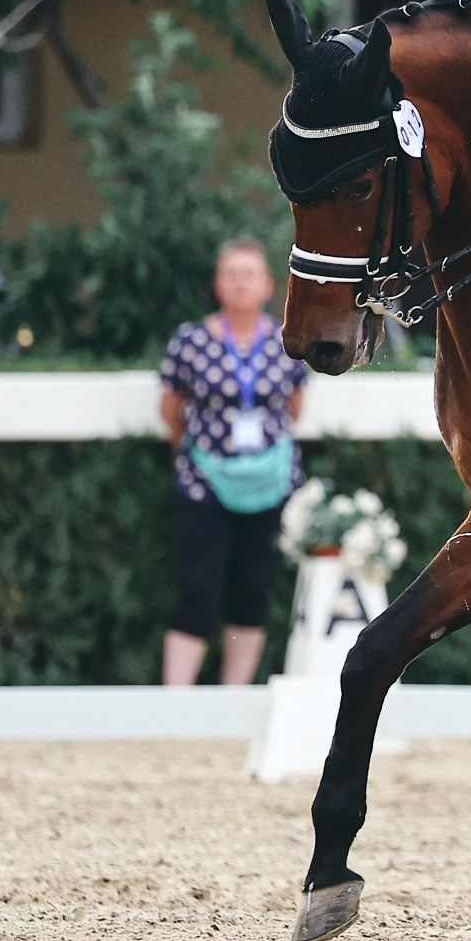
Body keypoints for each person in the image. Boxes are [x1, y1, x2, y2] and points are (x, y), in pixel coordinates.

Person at [158, 238, 310, 686]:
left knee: (252, 590)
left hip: (270, 485)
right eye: (232, 274)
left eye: (250, 274)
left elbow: (295, 407)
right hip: (203, 483)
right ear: (217, 285)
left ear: (268, 285)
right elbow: (170, 410)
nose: (241, 283)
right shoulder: (189, 341)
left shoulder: (288, 339)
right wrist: (198, 455)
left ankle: (233, 695)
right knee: (196, 589)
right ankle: (176, 699)